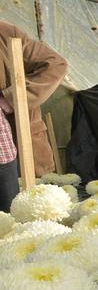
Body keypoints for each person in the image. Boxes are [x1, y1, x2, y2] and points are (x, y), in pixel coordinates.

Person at [1, 20, 68, 211]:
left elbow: (55, 64)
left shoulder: (6, 33)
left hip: (21, 142)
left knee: (30, 212)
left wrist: (11, 99)